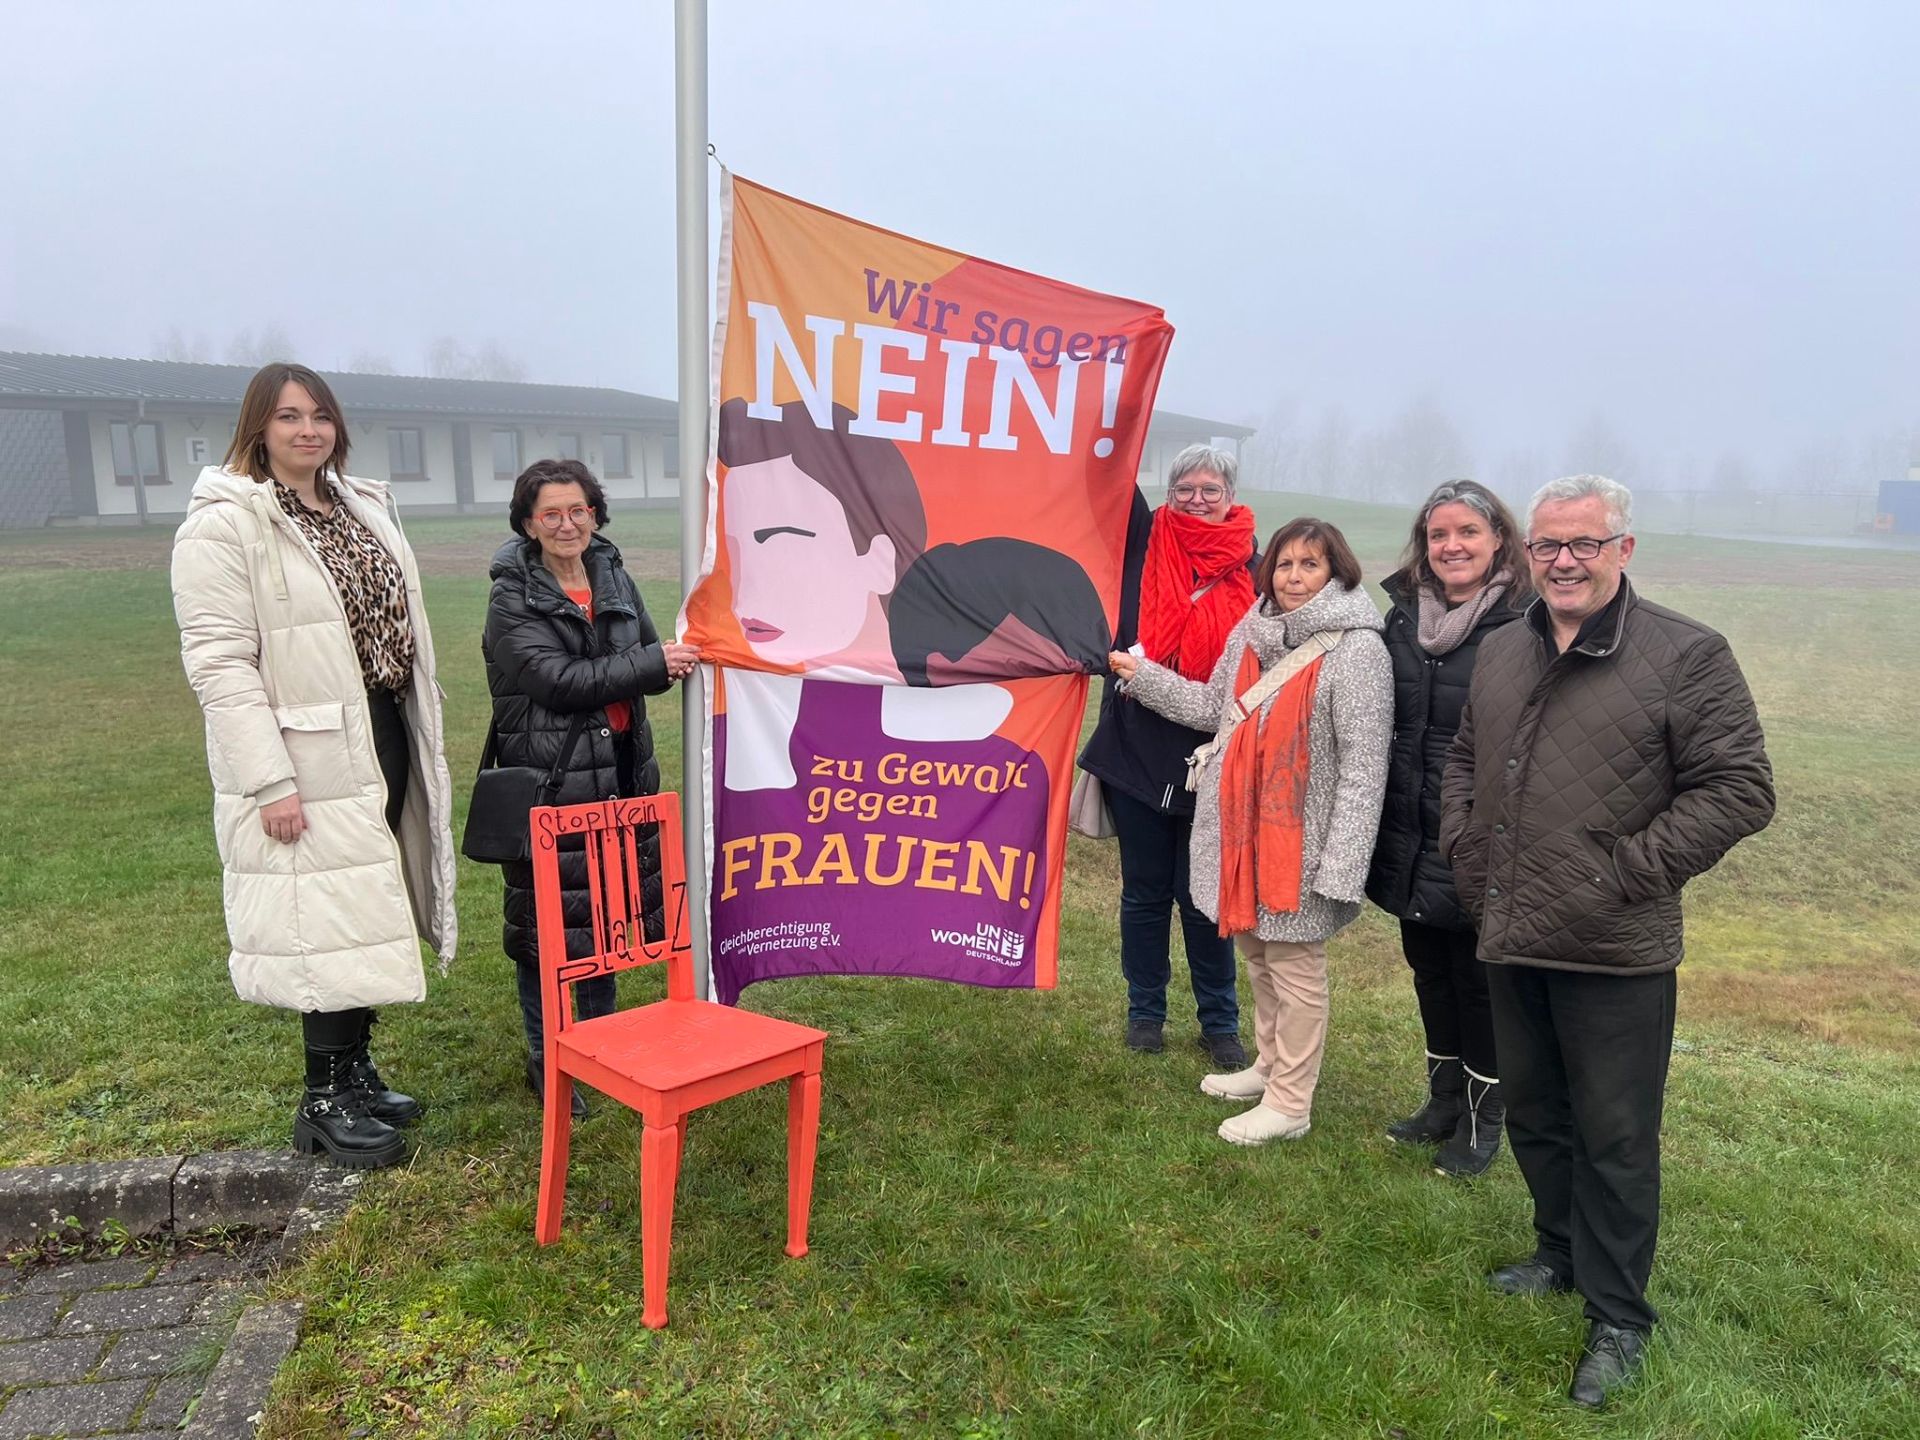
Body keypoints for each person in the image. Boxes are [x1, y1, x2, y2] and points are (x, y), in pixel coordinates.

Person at [1440, 474, 1774, 1407]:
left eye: (1585, 544)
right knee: (1538, 1114)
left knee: (1617, 1136)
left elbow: (1741, 788)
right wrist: (1464, 847)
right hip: (1510, 929)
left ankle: (1619, 1314)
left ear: (1623, 549)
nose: (1564, 561)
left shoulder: (1687, 655)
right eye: (1548, 545)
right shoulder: (1505, 649)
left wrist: (1620, 873)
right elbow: (1466, 756)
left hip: (1616, 946)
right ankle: (1559, 1251)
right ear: (1527, 554)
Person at [170, 362, 457, 1171]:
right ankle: (323, 1101)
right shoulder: (227, 524)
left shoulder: (358, 503)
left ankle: (356, 1073)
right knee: (324, 913)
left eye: (320, 415)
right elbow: (221, 665)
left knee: (366, 897)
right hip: (302, 751)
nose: (308, 429)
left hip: (379, 728)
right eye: (289, 416)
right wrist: (270, 780)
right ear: (257, 427)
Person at [1111, 518, 1391, 1145]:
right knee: (1260, 956)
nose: (1294, 577)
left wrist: (1342, 865)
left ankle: (1291, 1103)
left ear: (1336, 571)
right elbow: (1216, 709)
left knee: (1295, 968)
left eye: (1310, 565)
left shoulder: (1358, 651)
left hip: (1303, 843)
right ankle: (1267, 1066)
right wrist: (1139, 675)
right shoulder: (1254, 628)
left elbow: (1365, 766)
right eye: (1286, 564)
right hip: (1241, 830)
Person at [482, 459, 700, 1117]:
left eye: (578, 510)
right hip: (551, 786)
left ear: (596, 513)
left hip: (623, 777)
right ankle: (547, 1061)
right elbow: (557, 681)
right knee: (545, 933)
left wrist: (655, 665)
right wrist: (649, 665)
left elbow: (655, 660)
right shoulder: (512, 595)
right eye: (551, 513)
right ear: (528, 522)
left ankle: (600, 1050)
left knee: (607, 921)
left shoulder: (616, 577)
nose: (567, 523)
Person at [1366, 479, 1527, 1176]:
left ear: (1498, 540)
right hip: (1406, 821)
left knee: (1479, 982)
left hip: (1480, 829)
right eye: (1438, 535)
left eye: (1467, 533)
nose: (1452, 546)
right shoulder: (1401, 617)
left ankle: (1483, 1119)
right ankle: (1441, 1102)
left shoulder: (1527, 622)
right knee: (1428, 969)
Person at [1077, 446, 1257, 1063]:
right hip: (1138, 752)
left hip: (1217, 755)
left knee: (1206, 900)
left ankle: (1220, 1022)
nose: (1198, 499)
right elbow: (1112, 474)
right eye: (1185, 488)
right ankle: (1145, 1013)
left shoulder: (1255, 568)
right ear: (1169, 491)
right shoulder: (1141, 545)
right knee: (1145, 893)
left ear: (1231, 494)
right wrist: (1117, 409)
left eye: (1211, 489)